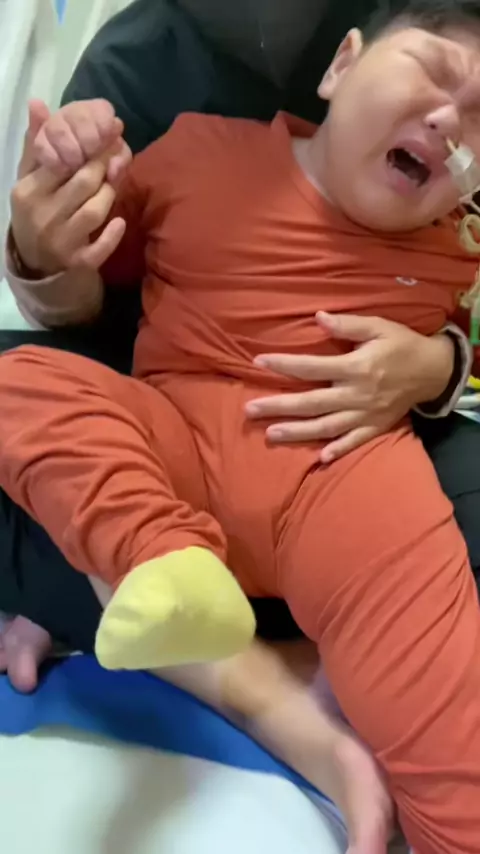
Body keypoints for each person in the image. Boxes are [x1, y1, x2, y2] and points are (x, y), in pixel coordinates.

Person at [3, 2, 480, 852]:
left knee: (457, 741)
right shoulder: (198, 148)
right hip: (173, 450)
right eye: (434, 74)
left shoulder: (459, 242)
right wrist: (63, 198)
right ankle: (158, 562)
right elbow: (82, 281)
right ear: (341, 66)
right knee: (23, 384)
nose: (452, 122)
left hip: (348, 484)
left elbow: (469, 351)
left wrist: (442, 359)